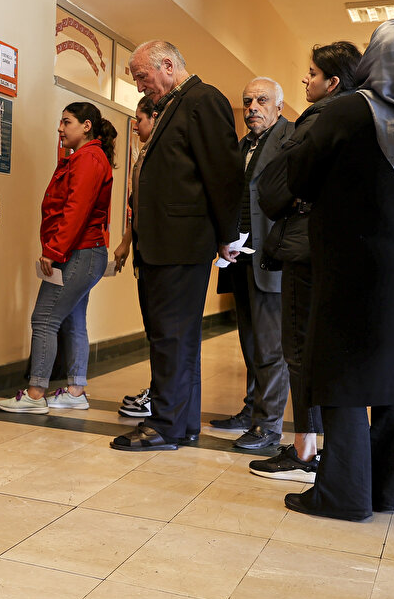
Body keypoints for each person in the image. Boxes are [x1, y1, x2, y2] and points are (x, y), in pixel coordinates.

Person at [282, 19, 394, 521]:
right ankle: (384, 492)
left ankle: (344, 496)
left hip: (351, 264)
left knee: (341, 375)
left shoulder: (349, 109)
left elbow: (300, 178)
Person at [111, 40, 242, 451]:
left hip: (181, 245)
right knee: (175, 339)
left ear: (168, 65)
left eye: (142, 76)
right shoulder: (174, 105)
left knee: (170, 338)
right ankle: (182, 423)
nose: (139, 86)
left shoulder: (204, 100)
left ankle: (164, 425)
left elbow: (223, 173)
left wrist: (227, 236)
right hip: (164, 245)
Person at [248, 41, 361, 483]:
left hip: (304, 243)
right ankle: (317, 446)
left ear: (332, 82)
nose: (305, 79)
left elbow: (277, 184)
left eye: (312, 73)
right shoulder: (363, 116)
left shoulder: (318, 118)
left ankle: (304, 450)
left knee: (297, 349)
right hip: (334, 247)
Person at [0, 101, 114, 414]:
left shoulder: (88, 158)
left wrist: (53, 251)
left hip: (78, 252)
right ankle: (75, 391)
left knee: (44, 318)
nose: (60, 128)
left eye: (66, 122)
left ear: (86, 126)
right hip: (84, 252)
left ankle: (36, 394)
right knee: (73, 320)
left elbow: (76, 210)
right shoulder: (85, 157)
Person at [207, 78, 291, 450]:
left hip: (271, 258)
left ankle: (268, 425)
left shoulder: (291, 139)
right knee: (250, 342)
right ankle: (251, 411)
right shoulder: (241, 146)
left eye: (262, 100)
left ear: (279, 107)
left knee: (271, 348)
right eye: (247, 101)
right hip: (239, 258)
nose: (252, 107)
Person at [114, 96, 156, 421]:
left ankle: (159, 395)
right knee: (152, 328)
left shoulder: (159, 154)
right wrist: (127, 242)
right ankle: (157, 391)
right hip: (144, 252)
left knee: (160, 330)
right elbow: (136, 206)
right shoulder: (143, 154)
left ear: (153, 118)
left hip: (160, 254)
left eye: (139, 120)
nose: (136, 126)